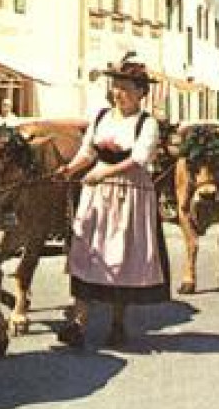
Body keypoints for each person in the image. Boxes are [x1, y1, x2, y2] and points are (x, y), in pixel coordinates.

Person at [53, 56, 169, 349]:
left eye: (126, 88)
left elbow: (138, 159)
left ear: (141, 92)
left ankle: (117, 323)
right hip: (96, 194)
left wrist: (105, 172)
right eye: (116, 87)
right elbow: (88, 152)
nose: (119, 93)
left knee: (120, 255)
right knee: (86, 252)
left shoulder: (147, 124)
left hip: (127, 194)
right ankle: (78, 324)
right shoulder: (101, 117)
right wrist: (71, 169)